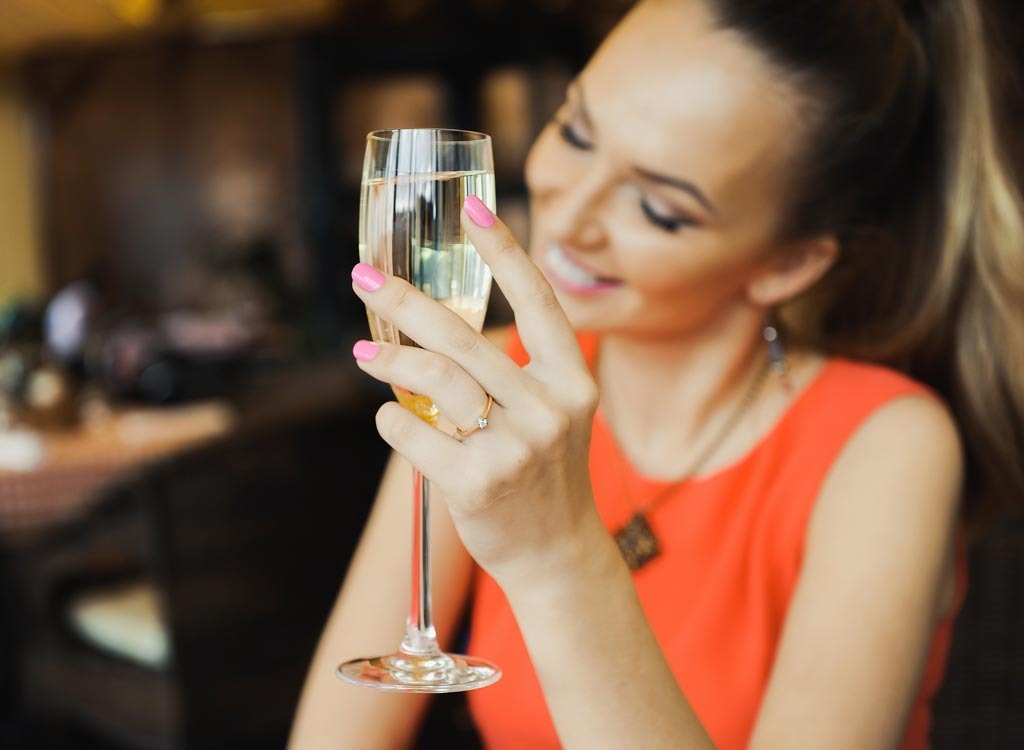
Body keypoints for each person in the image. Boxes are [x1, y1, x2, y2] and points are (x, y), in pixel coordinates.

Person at [289, 0, 1024, 747]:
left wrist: (560, 558)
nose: (569, 216)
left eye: (658, 207)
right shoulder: (492, 384)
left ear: (789, 262)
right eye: (575, 132)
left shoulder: (887, 449)